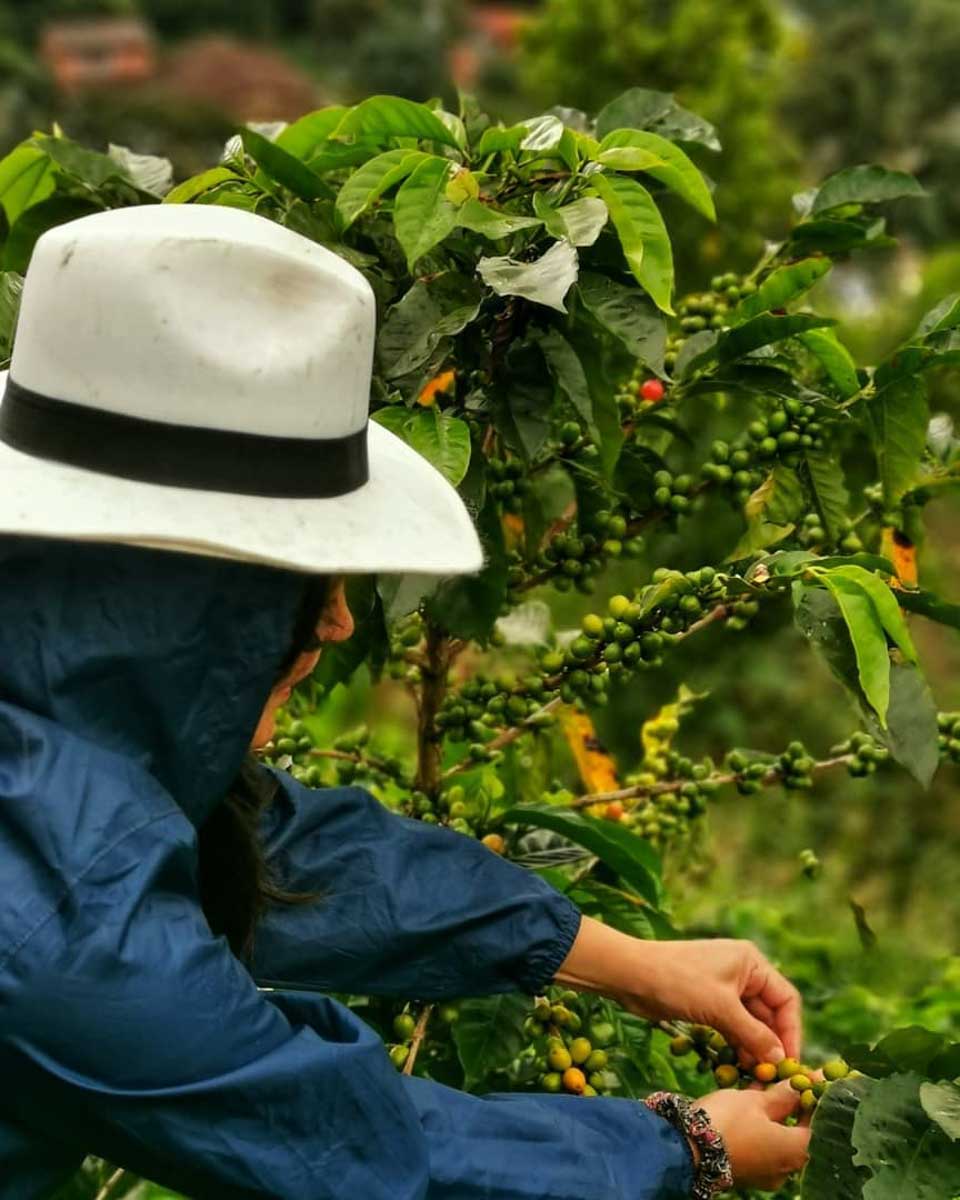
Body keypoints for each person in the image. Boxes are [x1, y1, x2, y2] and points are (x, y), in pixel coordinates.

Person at [0, 205, 810, 1200]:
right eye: (298, 582)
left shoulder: (49, 742)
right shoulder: (56, 922)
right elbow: (341, 1145)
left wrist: (618, 959)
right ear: (185, 608)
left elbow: (266, 851)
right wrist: (686, 1147)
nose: (340, 622)